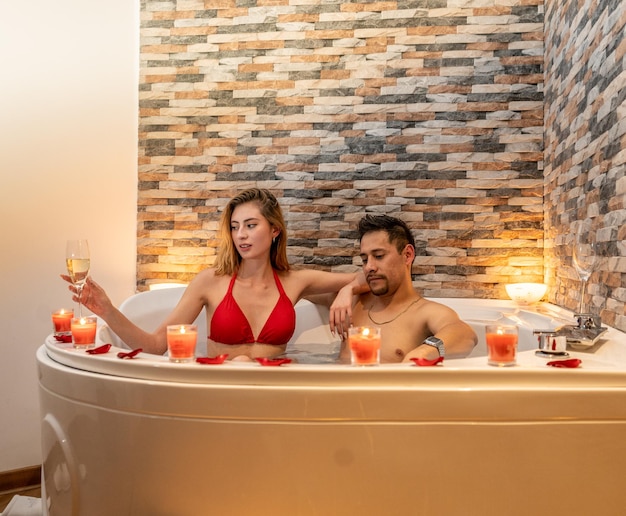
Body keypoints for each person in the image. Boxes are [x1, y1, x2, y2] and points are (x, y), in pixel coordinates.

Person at [63, 188, 367, 360]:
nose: (241, 236)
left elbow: (366, 276)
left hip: (272, 389)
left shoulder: (296, 281)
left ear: (275, 230)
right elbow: (156, 346)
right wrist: (107, 309)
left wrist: (347, 291)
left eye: (251, 225)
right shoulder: (211, 281)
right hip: (219, 387)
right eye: (235, 227)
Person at [331, 214, 477, 363]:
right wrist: (347, 288)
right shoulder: (353, 303)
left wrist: (423, 352)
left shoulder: (425, 312)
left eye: (379, 256)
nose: (369, 267)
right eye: (364, 259)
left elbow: (465, 335)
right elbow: (305, 280)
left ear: (407, 255)